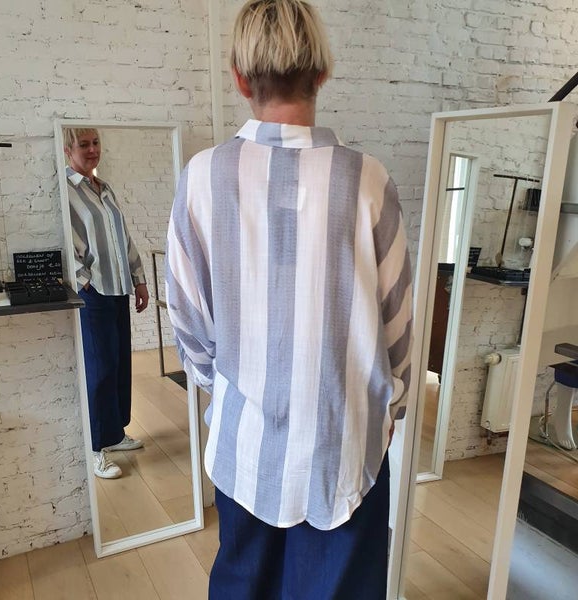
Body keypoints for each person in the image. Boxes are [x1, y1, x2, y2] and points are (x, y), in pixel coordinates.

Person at [165, 1, 413, 597]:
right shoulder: (367, 179)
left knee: (242, 584)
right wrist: (392, 408)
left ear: (239, 78)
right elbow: (398, 326)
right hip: (343, 445)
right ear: (322, 73)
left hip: (245, 445)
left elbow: (190, 327)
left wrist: (236, 392)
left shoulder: (202, 177)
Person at [64, 128, 149, 479]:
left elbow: (123, 239)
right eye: (84, 144)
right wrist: (85, 281)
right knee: (99, 370)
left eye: (95, 143)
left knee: (119, 364)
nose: (92, 149)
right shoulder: (66, 191)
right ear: (67, 148)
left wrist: (139, 278)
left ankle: (115, 434)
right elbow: (66, 243)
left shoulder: (105, 188)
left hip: (119, 288)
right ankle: (97, 447)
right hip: (94, 293)